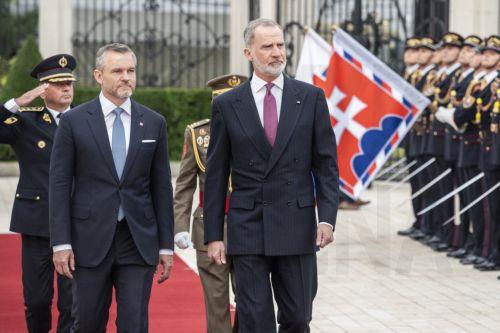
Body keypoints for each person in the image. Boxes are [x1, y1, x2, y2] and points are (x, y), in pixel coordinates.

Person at [203, 18, 339, 332]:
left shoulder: (310, 97)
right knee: (254, 319)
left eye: (280, 45)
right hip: (248, 227)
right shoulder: (227, 104)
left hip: (297, 226)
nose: (277, 52)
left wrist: (327, 218)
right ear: (248, 53)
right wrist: (213, 235)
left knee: (297, 317)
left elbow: (327, 165)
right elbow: (216, 173)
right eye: (267, 46)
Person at [49, 43, 174, 332]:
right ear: (98, 75)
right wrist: (61, 243)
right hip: (88, 240)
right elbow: (59, 185)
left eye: (131, 70)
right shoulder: (73, 122)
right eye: (117, 70)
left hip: (138, 239)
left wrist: (166, 245)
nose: (126, 77)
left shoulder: (154, 123)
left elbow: (161, 188)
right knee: (87, 323)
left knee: (134, 324)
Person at [0, 54, 76, 333]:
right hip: (37, 222)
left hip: (75, 222)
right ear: (44, 89)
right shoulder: (27, 122)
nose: (67, 88)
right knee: (37, 300)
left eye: (69, 82)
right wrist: (17, 103)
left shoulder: (85, 120)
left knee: (72, 301)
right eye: (59, 83)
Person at [173, 74, 248, 333]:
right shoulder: (198, 134)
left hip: (248, 226)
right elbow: (184, 185)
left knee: (249, 300)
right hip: (208, 228)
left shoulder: (256, 133)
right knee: (216, 304)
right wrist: (180, 226)